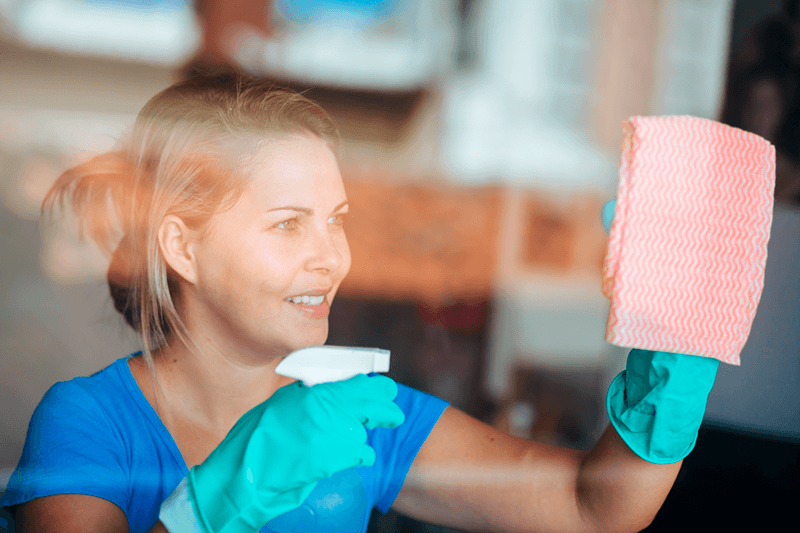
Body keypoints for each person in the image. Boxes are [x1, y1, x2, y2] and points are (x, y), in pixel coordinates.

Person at [2, 73, 720, 533]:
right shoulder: (89, 425)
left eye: (337, 218)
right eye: (288, 223)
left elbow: (594, 508)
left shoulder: (358, 415)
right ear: (182, 248)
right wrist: (215, 502)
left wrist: (675, 351)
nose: (332, 257)